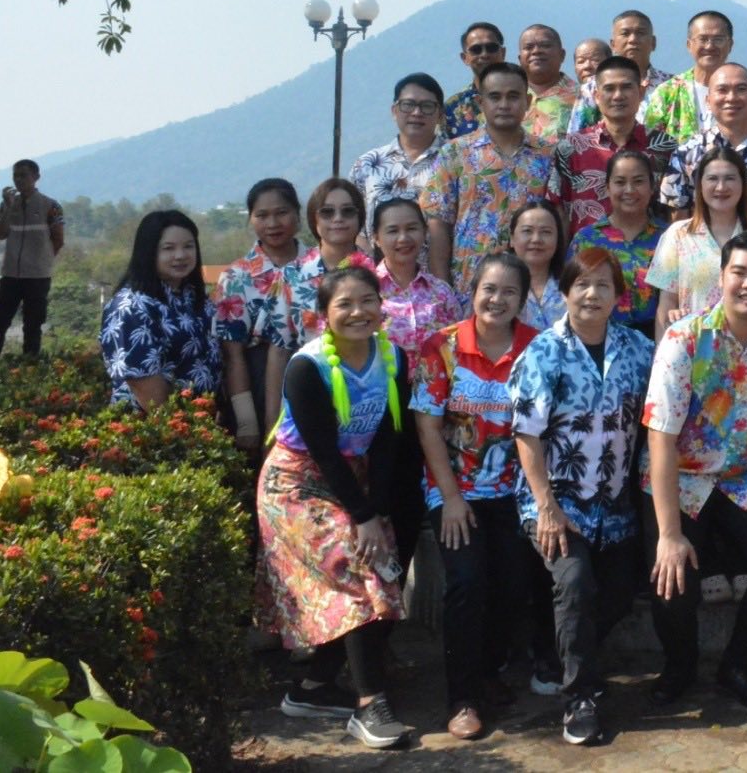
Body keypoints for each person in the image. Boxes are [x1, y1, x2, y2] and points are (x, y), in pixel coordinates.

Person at [643, 232, 747, 711]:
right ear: (721, 277)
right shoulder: (683, 339)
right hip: (681, 478)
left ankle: (738, 666)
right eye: (739, 272)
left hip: (745, 477)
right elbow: (660, 435)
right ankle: (679, 665)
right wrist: (669, 532)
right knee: (672, 574)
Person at [258, 265, 410, 749]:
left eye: (367, 300)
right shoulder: (308, 368)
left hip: (353, 480)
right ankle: (370, 706)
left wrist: (378, 508)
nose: (358, 312)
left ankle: (314, 687)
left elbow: (387, 439)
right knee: (358, 569)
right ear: (323, 315)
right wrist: (362, 517)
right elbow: (323, 450)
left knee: (382, 564)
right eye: (344, 304)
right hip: (296, 483)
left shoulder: (392, 358)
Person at [511, 248, 656, 746]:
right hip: (556, 502)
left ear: (619, 295)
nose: (592, 294)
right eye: (581, 285)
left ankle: (558, 656)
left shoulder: (639, 350)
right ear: (566, 291)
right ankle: (581, 698)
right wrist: (546, 506)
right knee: (574, 583)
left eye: (603, 285)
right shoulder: (543, 351)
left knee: (618, 593)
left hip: (614, 503)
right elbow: (527, 434)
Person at [412, 252, 549, 740]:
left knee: (514, 583)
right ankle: (462, 697)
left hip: (514, 491)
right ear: (473, 292)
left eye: (509, 292)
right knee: (467, 581)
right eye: (489, 289)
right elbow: (428, 428)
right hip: (454, 491)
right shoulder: (443, 347)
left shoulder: (538, 348)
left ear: (522, 300)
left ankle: (489, 672)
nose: (497, 299)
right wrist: (451, 499)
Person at [424, 62, 554, 292]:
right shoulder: (455, 153)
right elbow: (438, 223)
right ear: (480, 103)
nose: (504, 105)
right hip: (469, 286)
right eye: (495, 97)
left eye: (513, 96)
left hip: (532, 288)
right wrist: (442, 288)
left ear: (528, 102)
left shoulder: (548, 155)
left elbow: (558, 221)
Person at [659, 62, 747, 235]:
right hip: (702, 258)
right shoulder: (686, 154)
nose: (731, 97)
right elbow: (678, 225)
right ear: (708, 100)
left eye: (741, 89)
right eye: (722, 90)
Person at [99, 209, 220, 409]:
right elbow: (143, 383)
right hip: (157, 429)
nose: (180, 255)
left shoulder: (194, 297)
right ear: (149, 252)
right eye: (168, 248)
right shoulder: (131, 306)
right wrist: (180, 428)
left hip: (203, 422)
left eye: (188, 247)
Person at [215, 179, 303, 449]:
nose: (273, 223)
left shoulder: (316, 268)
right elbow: (233, 354)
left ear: (298, 215)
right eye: (262, 215)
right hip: (253, 378)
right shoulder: (236, 277)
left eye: (281, 213)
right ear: (251, 219)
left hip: (308, 374)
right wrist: (246, 420)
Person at [554, 55, 673, 236]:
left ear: (641, 93)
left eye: (626, 87)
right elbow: (558, 210)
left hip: (650, 257)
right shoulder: (571, 148)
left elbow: (675, 209)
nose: (618, 96)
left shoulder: (665, 148)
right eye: (609, 89)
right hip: (586, 258)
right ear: (597, 96)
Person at [648, 147, 747, 326]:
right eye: (712, 179)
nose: (721, 187)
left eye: (730, 178)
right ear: (700, 185)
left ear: (743, 184)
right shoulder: (677, 235)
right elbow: (666, 306)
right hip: (693, 347)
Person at [565, 150, 666, 336]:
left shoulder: (669, 237)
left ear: (652, 187)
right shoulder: (586, 239)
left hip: (657, 342)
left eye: (638, 181)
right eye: (620, 182)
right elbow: (569, 295)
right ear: (607, 188)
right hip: (598, 339)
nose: (629, 190)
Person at [0, 158, 65, 366]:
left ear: (36, 177)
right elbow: (0, 233)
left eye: (24, 175)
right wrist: (9, 208)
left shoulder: (50, 206)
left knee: (33, 324)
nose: (19, 180)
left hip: (37, 276)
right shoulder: (8, 205)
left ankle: (29, 366)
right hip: (10, 274)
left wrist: (43, 260)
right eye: (15, 176)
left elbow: (58, 239)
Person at [347, 73, 446, 238]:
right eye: (408, 105)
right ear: (394, 111)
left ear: (440, 114)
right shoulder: (366, 165)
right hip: (378, 263)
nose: (416, 112)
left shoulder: (459, 160)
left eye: (427, 106)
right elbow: (355, 228)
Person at [286, 179, 377, 350]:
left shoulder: (377, 273)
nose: (338, 219)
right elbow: (279, 350)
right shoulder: (291, 275)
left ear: (360, 217)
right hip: (308, 373)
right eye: (327, 212)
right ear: (314, 219)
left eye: (348, 211)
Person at [370, 196, 463, 361]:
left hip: (437, 385)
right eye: (393, 231)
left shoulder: (441, 292)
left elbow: (459, 345)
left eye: (412, 228)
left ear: (424, 232)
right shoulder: (366, 290)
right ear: (376, 238)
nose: (403, 238)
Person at [641, 10, 735, 143]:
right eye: (702, 39)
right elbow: (649, 144)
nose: (710, 46)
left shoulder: (744, 94)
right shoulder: (668, 92)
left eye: (718, 39)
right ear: (689, 45)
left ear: (730, 45)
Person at [506, 199, 569, 330]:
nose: (536, 239)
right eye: (527, 231)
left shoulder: (571, 286)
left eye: (546, 232)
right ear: (512, 238)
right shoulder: (496, 284)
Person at [516, 25, 581, 143]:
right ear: (520, 59)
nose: (536, 51)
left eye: (545, 45)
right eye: (529, 47)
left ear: (562, 55)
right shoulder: (509, 97)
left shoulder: (583, 97)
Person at [443, 22, 506, 139]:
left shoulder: (526, 97)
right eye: (476, 50)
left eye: (491, 48)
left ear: (503, 53)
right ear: (464, 58)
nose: (484, 54)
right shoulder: (452, 107)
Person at [608, 9, 673, 100]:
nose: (633, 40)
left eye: (640, 33)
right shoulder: (594, 86)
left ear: (653, 43)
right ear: (613, 45)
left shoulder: (673, 85)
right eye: (625, 34)